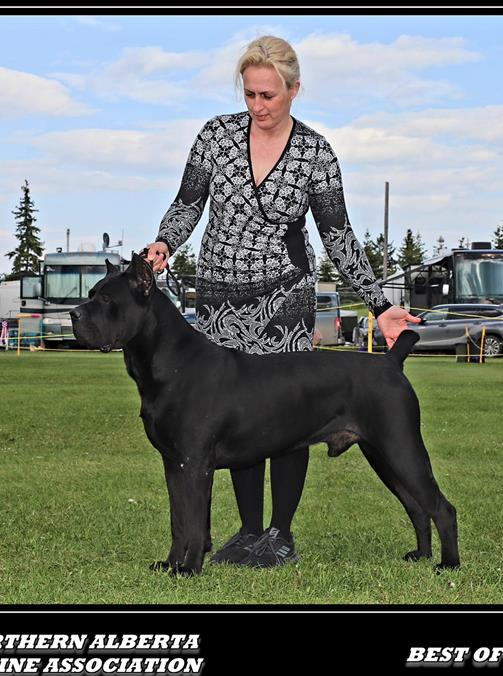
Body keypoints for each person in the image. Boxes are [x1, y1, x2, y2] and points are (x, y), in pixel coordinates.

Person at [143, 36, 419, 568]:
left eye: (268, 95)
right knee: (235, 415)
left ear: (294, 90)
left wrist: (380, 303)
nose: (257, 106)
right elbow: (187, 204)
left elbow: (338, 235)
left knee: (290, 415)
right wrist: (164, 242)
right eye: (249, 94)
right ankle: (247, 532)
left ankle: (281, 534)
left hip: (284, 300)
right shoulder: (215, 137)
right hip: (220, 298)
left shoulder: (316, 153)